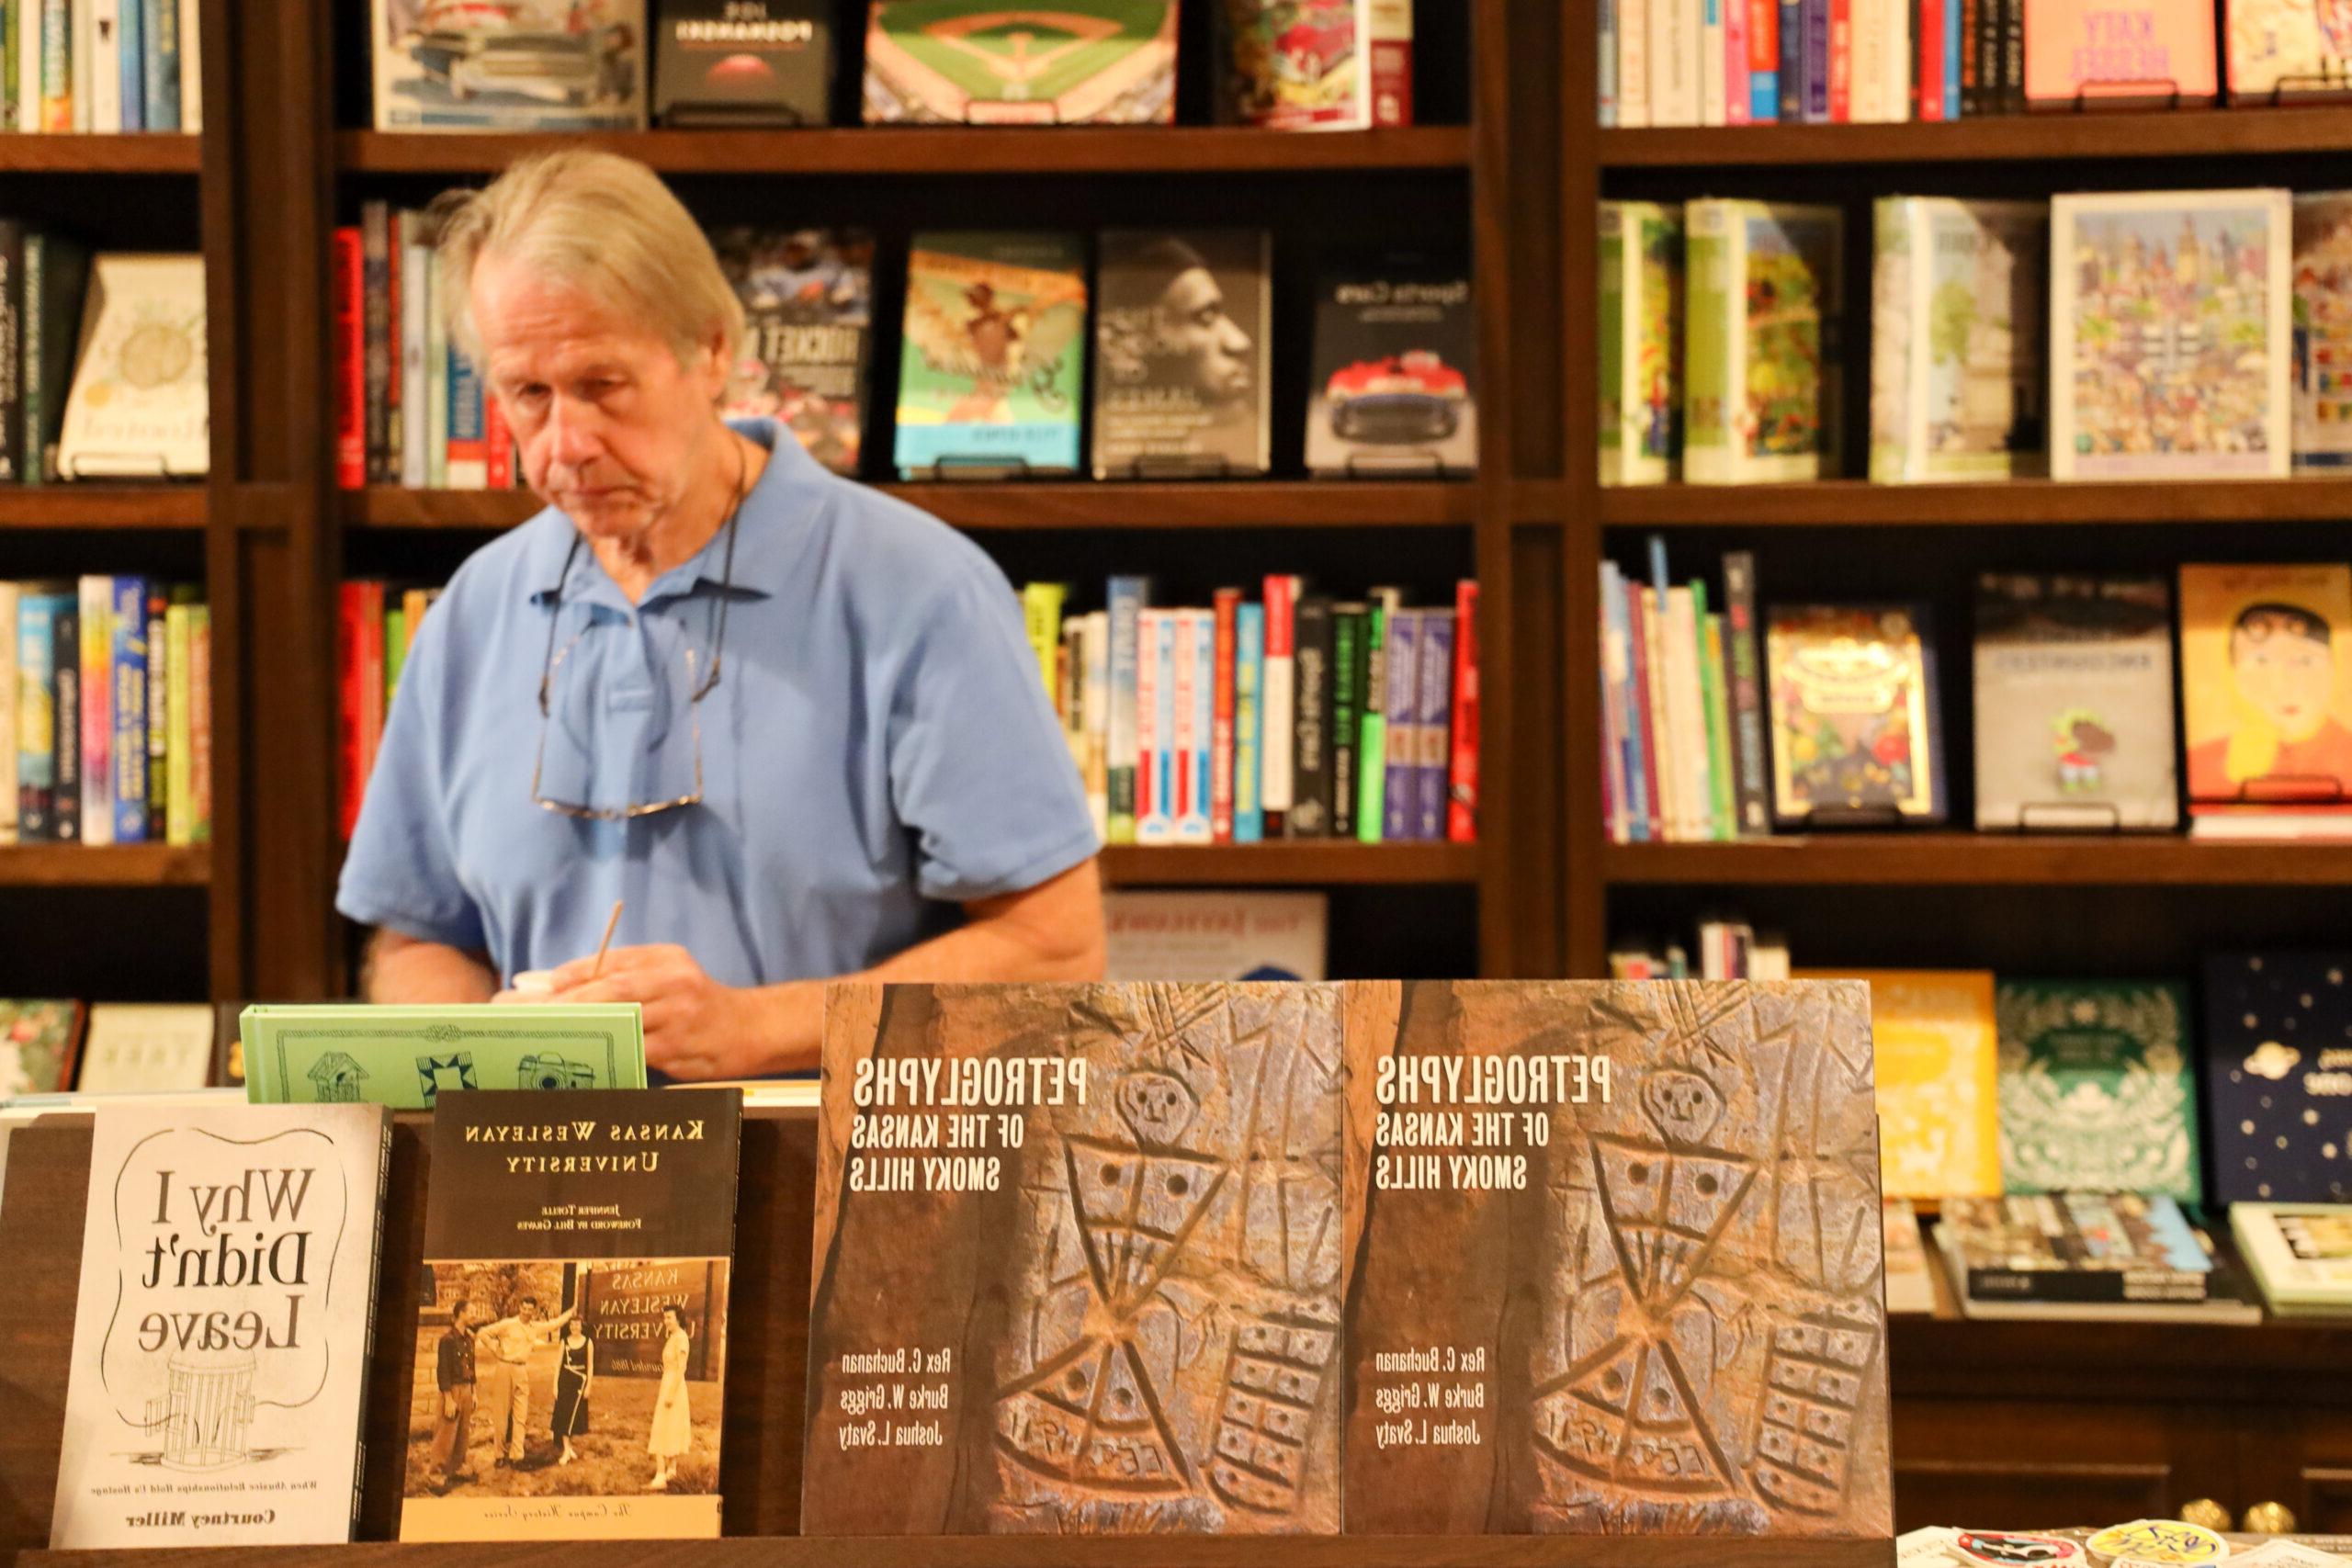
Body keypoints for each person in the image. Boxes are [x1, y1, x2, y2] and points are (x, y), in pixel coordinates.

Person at [334, 151, 1103, 1079]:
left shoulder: (918, 588)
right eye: (527, 395)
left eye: (601, 385)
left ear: (710, 351)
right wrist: (483, 1051)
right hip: (529, 1195)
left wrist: (755, 1029)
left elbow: (1053, 951)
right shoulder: (475, 610)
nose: (565, 446)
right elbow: (417, 942)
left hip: (832, 1195)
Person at [2188, 602, 2352, 800]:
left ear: (2333, 670)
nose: (2283, 683)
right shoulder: (2198, 765)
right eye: (2261, 663)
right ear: (2234, 676)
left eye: (2305, 662)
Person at [474, 1296, 574, 1468]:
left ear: (534, 1311)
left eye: (530, 1309)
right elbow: (483, 1333)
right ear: (520, 1307)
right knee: (501, 1414)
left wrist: (571, 1312)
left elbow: (555, 1324)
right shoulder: (508, 1324)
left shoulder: (535, 1327)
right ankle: (499, 1454)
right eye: (524, 1308)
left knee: (521, 1414)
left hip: (521, 1369)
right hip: (504, 1368)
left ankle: (517, 1455)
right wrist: (494, 1349)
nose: (527, 1312)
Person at [427, 1297, 479, 1493]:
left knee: (462, 1434)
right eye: (471, 1311)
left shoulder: (469, 1338)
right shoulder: (447, 1340)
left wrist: (474, 1393)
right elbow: (443, 1371)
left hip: (466, 1390)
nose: (474, 1314)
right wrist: (448, 1399)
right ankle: (436, 1477)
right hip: (452, 1391)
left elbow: (472, 1368)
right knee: (445, 1435)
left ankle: (455, 1469)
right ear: (461, 1314)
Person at [647, 1303, 693, 1489]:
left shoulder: (681, 1338)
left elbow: (682, 1368)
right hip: (669, 1382)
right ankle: (671, 1470)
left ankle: (660, 1475)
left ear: (678, 1319)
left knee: (662, 1426)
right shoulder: (674, 1337)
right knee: (670, 1425)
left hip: (673, 1386)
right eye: (664, 1318)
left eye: (669, 1318)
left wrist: (671, 1394)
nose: (666, 1321)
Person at [550, 1314, 594, 1465]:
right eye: (572, 1325)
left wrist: (589, 1386)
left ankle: (569, 1447)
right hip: (565, 1382)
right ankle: (566, 1450)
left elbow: (590, 1366)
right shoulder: (564, 1342)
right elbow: (557, 1365)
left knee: (575, 1416)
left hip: (579, 1383)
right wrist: (555, 1385)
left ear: (582, 1326)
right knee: (564, 1415)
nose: (575, 1327)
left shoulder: (588, 1342)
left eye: (577, 1324)